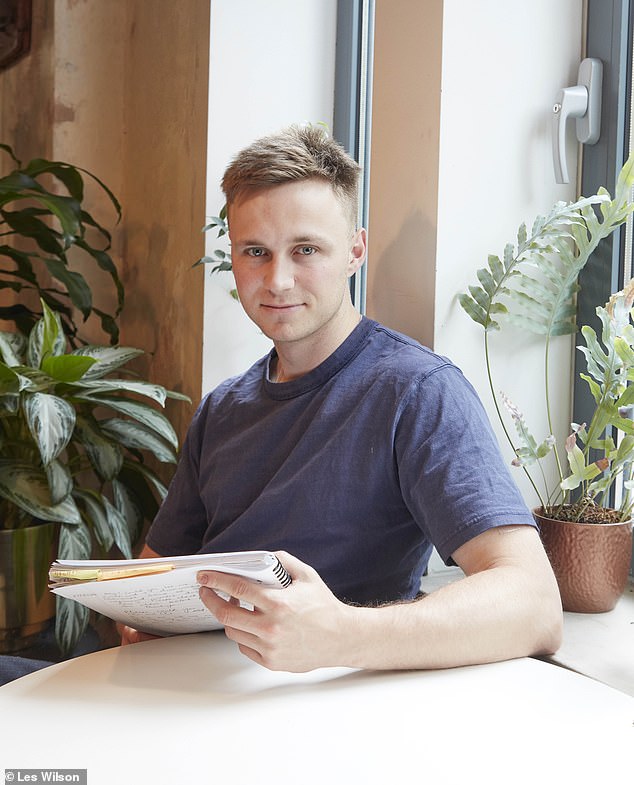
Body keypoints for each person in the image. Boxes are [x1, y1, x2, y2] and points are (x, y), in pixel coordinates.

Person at [120, 125, 562, 672]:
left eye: (305, 249)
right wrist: (138, 614)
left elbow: (534, 604)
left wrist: (339, 633)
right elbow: (154, 572)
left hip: (318, 707)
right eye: (255, 252)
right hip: (184, 691)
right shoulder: (223, 408)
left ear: (355, 250)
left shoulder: (417, 392)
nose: (277, 280)